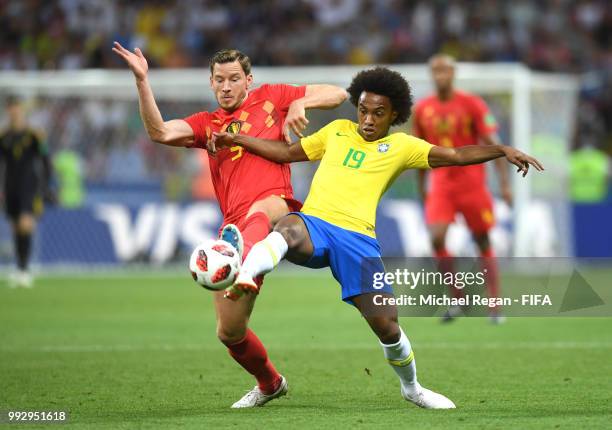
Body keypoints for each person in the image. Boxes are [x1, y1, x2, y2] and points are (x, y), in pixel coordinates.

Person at [212, 67, 543, 409]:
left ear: (394, 114)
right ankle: (248, 273)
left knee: (388, 328)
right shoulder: (337, 131)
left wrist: (502, 149)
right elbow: (285, 153)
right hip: (317, 226)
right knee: (287, 228)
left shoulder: (402, 146)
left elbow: (457, 156)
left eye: (378, 113)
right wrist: (237, 138)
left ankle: (412, 388)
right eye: (363, 110)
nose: (368, 119)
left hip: (358, 241)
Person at [112, 43, 347, 408]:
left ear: (248, 81)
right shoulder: (207, 126)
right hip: (235, 228)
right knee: (230, 332)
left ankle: (244, 257)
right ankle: (270, 383)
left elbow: (338, 93)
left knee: (261, 209)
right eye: (219, 80)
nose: (226, 86)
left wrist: (302, 103)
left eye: (234, 79)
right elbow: (159, 132)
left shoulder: (274, 97)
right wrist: (142, 80)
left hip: (277, 210)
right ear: (210, 84)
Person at [412, 54, 511, 323]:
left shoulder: (471, 104)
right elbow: (419, 151)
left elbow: (492, 142)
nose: (440, 75)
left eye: (445, 70)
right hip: (442, 184)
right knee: (436, 238)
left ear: (453, 74)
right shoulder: (423, 109)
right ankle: (457, 299)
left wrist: (503, 182)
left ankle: (494, 304)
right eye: (436, 71)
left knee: (482, 240)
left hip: (472, 182)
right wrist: (422, 187)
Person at [0, 97, 54, 288]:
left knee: (25, 224)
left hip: (29, 186)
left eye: (16, 108)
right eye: (10, 108)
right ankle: (19, 268)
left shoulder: (34, 135)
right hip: (9, 186)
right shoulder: (4, 135)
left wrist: (46, 186)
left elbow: (46, 159)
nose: (13, 112)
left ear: (21, 110)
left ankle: (25, 269)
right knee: (15, 226)